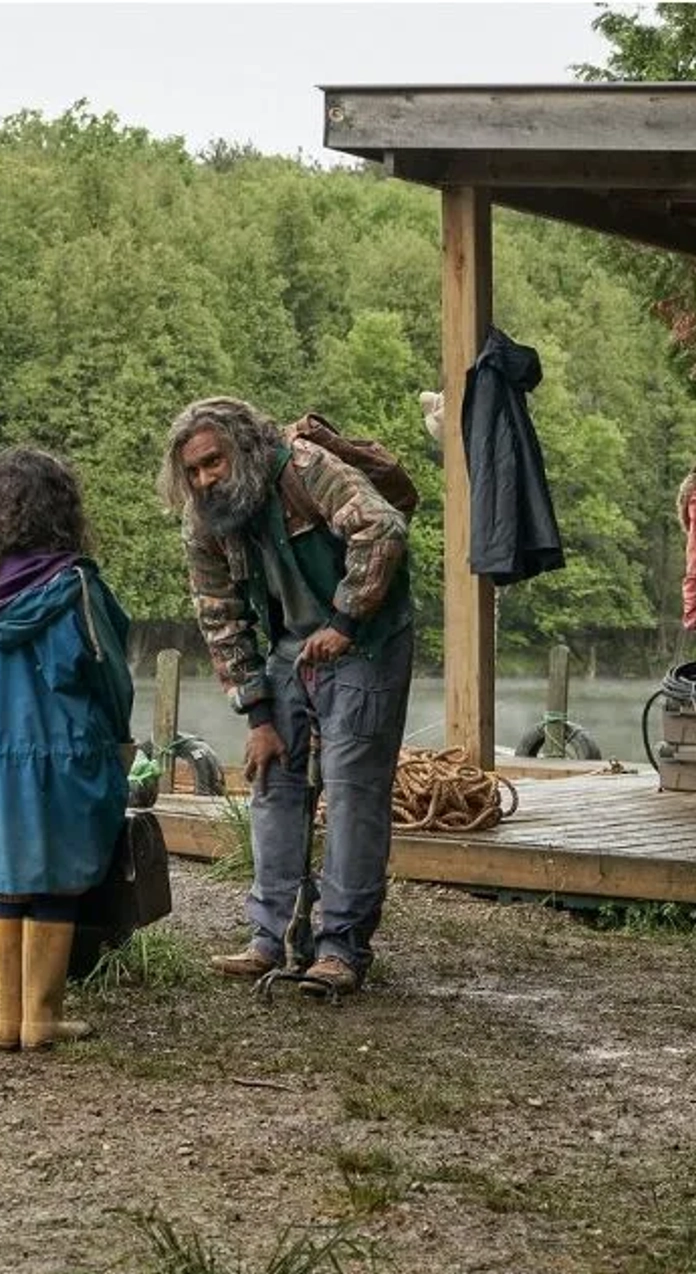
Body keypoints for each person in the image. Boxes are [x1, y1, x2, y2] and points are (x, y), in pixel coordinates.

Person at [158, 397, 414, 998]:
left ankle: (342, 949)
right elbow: (219, 617)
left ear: (242, 448)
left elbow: (382, 527)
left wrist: (346, 620)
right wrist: (259, 714)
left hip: (368, 640)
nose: (204, 479)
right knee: (271, 777)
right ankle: (270, 938)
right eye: (192, 471)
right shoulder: (205, 519)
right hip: (289, 647)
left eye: (212, 462)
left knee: (353, 791)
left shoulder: (305, 468)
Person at [0, 446, 134, 1050]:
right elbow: (105, 674)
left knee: (10, 882)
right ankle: (43, 1019)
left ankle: (6, 1021)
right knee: (56, 882)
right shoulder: (70, 585)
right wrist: (121, 737)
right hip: (59, 752)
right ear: (62, 511)